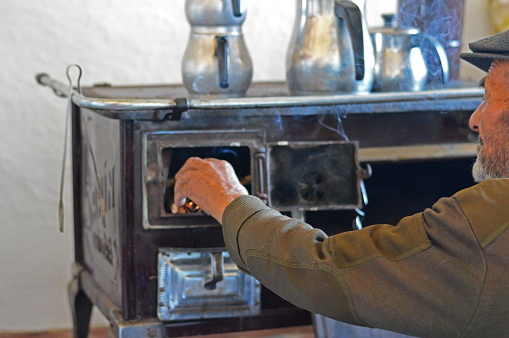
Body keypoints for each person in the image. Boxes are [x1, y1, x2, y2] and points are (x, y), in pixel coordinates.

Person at [173, 30, 509, 337]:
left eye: (488, 98)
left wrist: (230, 201)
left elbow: (326, 270)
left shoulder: (494, 217)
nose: (473, 119)